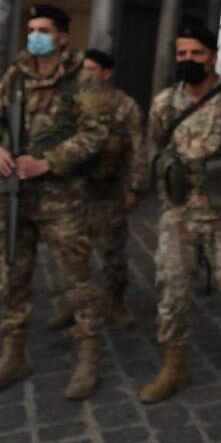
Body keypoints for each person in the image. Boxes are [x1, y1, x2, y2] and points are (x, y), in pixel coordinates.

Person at [0, 4, 109, 400]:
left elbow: (95, 132)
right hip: (14, 198)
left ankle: (88, 358)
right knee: (13, 277)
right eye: (31, 28)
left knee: (77, 280)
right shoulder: (15, 75)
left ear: (62, 37)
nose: (34, 36)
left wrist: (48, 162)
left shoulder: (82, 79)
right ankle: (13, 354)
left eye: (44, 30)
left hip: (60, 199)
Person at [140, 23, 221, 408]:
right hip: (179, 213)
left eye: (196, 54)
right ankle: (174, 366)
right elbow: (157, 142)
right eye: (182, 54)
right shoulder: (164, 103)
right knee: (170, 286)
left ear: (212, 57)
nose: (188, 60)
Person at [47, 48, 148, 331]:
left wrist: (135, 187)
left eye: (91, 70)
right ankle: (74, 303)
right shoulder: (70, 102)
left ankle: (115, 302)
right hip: (72, 190)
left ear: (106, 73)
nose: (85, 75)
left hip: (107, 190)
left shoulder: (124, 105)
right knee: (69, 250)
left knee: (111, 249)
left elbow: (138, 148)